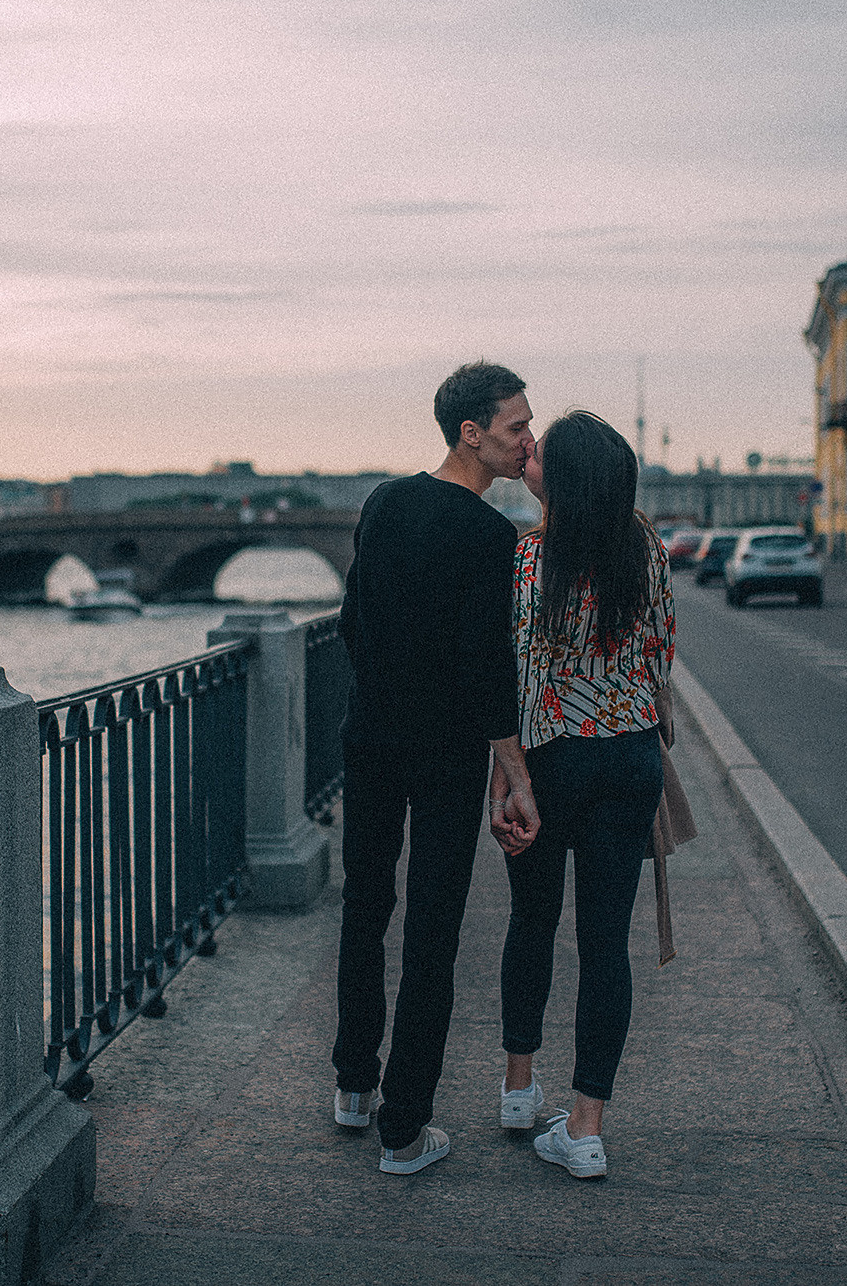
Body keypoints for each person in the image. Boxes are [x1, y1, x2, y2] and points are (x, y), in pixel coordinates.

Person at [333, 359, 541, 1175]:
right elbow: (491, 670)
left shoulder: (384, 502)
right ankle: (404, 1129)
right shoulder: (493, 538)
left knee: (364, 906)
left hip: (372, 735)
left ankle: (354, 1088)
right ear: (473, 433)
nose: (527, 440)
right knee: (431, 933)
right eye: (516, 426)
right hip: (447, 752)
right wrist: (515, 769)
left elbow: (353, 622)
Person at [489, 410, 674, 1179]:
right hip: (630, 763)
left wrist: (512, 781)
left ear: (559, 482)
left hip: (551, 764)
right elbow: (665, 653)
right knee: (606, 944)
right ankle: (586, 1128)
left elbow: (516, 680)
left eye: (542, 454)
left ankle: (518, 1089)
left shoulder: (527, 560)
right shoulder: (648, 549)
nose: (528, 454)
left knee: (532, 920)